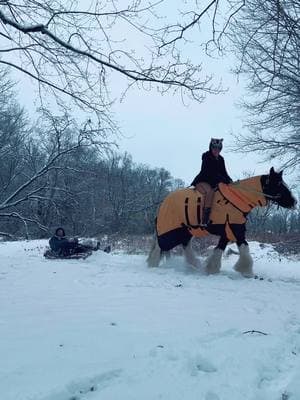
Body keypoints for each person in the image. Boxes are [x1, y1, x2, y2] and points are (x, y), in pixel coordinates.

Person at [191, 138, 232, 226]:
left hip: (215, 182)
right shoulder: (206, 156)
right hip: (203, 181)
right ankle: (205, 219)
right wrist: (223, 180)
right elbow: (209, 172)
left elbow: (224, 172)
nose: (216, 150)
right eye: (214, 148)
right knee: (210, 192)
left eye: (218, 149)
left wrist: (230, 181)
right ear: (211, 147)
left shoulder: (221, 159)